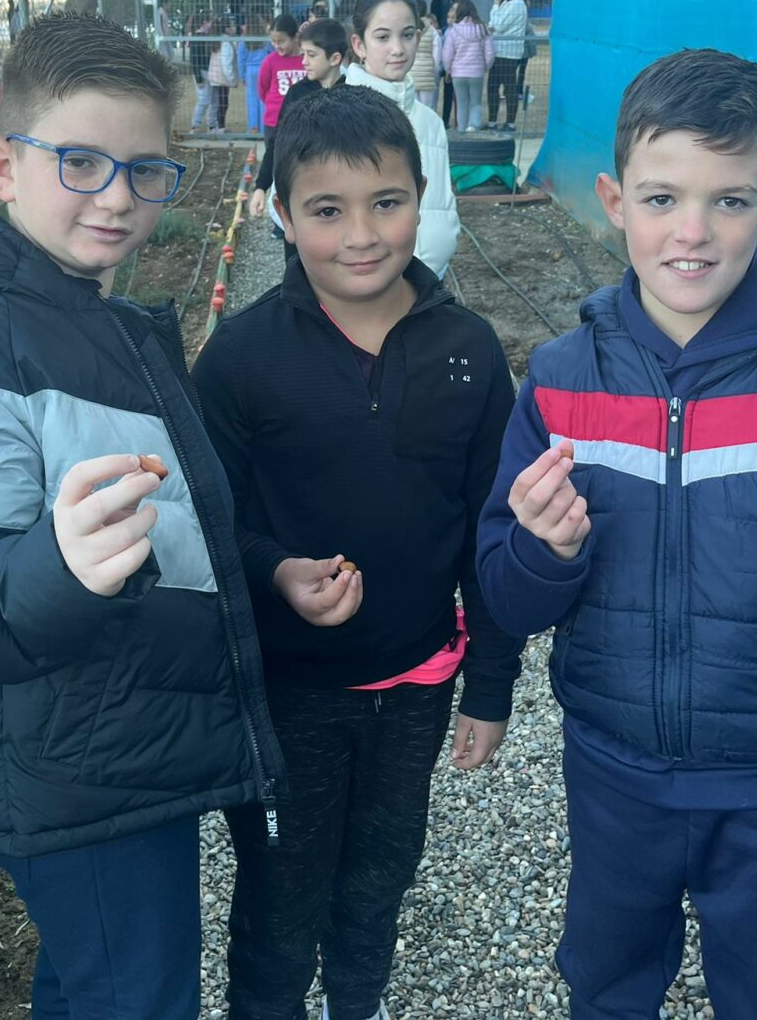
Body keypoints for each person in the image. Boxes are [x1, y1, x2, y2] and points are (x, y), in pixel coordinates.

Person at [478, 49, 757, 1020]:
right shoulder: (561, 381)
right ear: (613, 200)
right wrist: (542, 550)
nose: (691, 233)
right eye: (661, 199)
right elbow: (507, 601)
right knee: (606, 986)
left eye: (728, 201)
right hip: (615, 776)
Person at [0, 11, 285, 1020]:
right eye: (80, 163)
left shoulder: (76, 313)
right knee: (134, 997)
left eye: (145, 170)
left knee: (101, 984)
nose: (118, 196)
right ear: (2, 166)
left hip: (112, 748)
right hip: (74, 772)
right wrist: (56, 568)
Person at [194, 85, 522, 1020]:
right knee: (279, 895)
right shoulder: (240, 358)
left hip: (416, 685)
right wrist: (275, 571)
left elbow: (489, 527)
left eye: (387, 202)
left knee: (379, 879)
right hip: (287, 691)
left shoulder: (468, 350)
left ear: (423, 196)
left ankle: (356, 1002)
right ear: (282, 214)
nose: (363, 235)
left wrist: (491, 685)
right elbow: (207, 522)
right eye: (327, 210)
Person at [342, 0, 460, 280]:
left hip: (430, 283)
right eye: (383, 37)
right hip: (365, 286)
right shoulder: (333, 118)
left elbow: (440, 202)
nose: (397, 49)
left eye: (407, 35)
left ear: (418, 38)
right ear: (359, 45)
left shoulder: (431, 122)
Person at [251, 17, 350, 232]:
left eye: (311, 55)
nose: (304, 61)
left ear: (334, 58)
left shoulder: (353, 94)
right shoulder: (297, 94)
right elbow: (278, 142)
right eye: (303, 53)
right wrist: (261, 186)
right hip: (303, 194)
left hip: (341, 198)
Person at [440, 0, 494, 133]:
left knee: (461, 103)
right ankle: (473, 126)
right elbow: (490, 53)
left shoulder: (454, 30)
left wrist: (448, 70)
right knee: (476, 102)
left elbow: (447, 54)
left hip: (458, 73)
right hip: (476, 72)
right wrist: (484, 67)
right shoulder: (483, 29)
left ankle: (462, 130)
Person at [486, 0, 528, 132]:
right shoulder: (504, 3)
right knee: (492, 87)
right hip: (497, 51)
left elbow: (499, 26)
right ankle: (492, 121)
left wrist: (495, 7)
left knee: (509, 88)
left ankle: (510, 123)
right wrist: (496, 10)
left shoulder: (517, 4)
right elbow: (492, 25)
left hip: (509, 53)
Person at [255, 13, 307, 137]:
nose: (276, 46)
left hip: (303, 123)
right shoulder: (269, 61)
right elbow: (263, 90)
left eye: (281, 41)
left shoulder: (307, 60)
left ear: (295, 37)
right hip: (274, 123)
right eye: (273, 41)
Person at [238, 14, 272, 132]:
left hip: (250, 70)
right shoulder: (266, 40)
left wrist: (242, 76)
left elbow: (241, 61)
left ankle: (253, 127)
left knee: (251, 99)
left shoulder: (243, 41)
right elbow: (272, 53)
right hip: (264, 69)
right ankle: (263, 128)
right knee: (264, 99)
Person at [207, 16, 241, 134]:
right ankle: (220, 127)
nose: (234, 27)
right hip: (222, 78)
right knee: (223, 103)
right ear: (227, 29)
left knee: (216, 102)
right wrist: (232, 79)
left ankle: (213, 126)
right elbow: (226, 64)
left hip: (214, 76)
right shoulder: (226, 43)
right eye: (232, 25)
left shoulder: (218, 39)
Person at [407, 0, 441, 109]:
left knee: (413, 107)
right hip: (427, 72)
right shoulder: (432, 30)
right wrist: (435, 70)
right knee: (427, 107)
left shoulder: (409, 27)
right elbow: (437, 52)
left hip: (411, 71)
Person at [188, 10, 214, 132]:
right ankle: (195, 125)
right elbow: (194, 59)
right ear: (204, 22)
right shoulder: (197, 37)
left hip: (209, 71)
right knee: (203, 100)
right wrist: (198, 78)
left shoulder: (207, 36)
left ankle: (212, 124)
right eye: (210, 21)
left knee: (212, 100)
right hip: (202, 72)